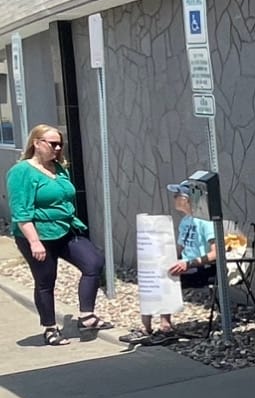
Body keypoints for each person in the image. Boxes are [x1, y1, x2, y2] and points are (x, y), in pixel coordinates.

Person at [7, 124, 113, 345]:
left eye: (60, 144)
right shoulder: (22, 172)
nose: (57, 148)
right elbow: (21, 212)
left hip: (65, 229)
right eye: (52, 144)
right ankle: (50, 327)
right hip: (37, 234)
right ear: (37, 143)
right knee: (46, 280)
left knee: (93, 262)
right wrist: (35, 242)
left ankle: (86, 316)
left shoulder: (58, 168)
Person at [120, 184, 218, 345]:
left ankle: (164, 327)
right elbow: (177, 249)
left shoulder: (205, 223)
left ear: (186, 200)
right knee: (151, 274)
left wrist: (188, 263)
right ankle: (147, 327)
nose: (174, 198)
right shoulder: (186, 221)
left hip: (201, 269)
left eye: (177, 195)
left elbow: (216, 253)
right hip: (184, 265)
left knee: (164, 276)